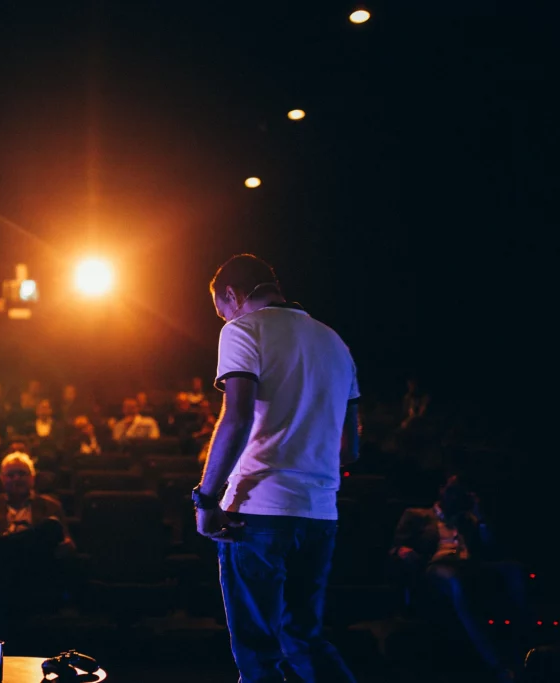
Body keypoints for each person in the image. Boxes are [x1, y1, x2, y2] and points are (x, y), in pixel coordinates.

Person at [194, 254, 359, 683]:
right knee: (305, 640)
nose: (223, 319)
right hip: (321, 514)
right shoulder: (335, 343)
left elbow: (237, 417)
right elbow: (349, 449)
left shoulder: (243, 330)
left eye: (221, 310)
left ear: (232, 294)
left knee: (258, 653)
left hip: (256, 511)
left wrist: (206, 498)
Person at [391, 475, 528, 681]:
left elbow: (490, 547)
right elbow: (395, 547)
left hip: (470, 565)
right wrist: (402, 551)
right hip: (436, 566)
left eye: (460, 492)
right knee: (455, 580)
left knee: (514, 569)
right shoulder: (417, 514)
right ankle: (496, 663)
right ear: (441, 490)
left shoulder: (467, 520)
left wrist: (479, 516)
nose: (455, 496)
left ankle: (526, 644)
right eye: (452, 490)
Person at [0, 452, 74, 638]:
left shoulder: (50, 506)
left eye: (22, 474)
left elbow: (68, 544)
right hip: (0, 572)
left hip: (37, 569)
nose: (16, 479)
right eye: (11, 474)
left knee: (51, 525)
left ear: (33, 478)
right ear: (2, 479)